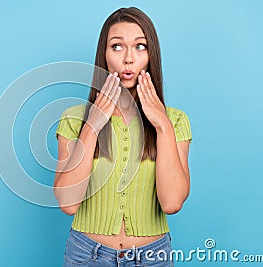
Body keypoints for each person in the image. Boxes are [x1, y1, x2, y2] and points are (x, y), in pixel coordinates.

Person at [54, 7, 192, 267]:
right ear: (104, 55)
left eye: (140, 46)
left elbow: (172, 203)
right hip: (87, 256)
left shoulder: (175, 121)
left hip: (153, 258)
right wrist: (92, 126)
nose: (129, 59)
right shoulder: (74, 119)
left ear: (152, 55)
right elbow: (68, 203)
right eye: (117, 47)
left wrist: (162, 125)